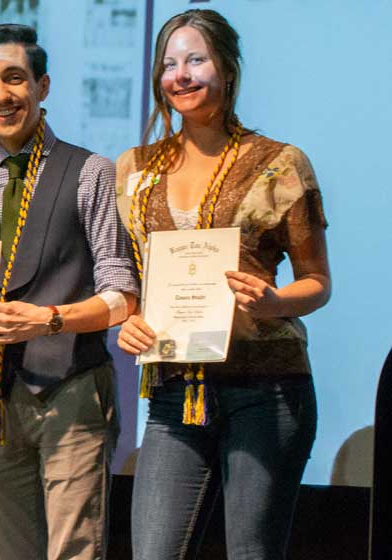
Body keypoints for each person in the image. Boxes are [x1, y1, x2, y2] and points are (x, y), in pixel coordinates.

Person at [115, 9, 329, 559]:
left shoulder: (279, 164)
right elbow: (134, 282)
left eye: (195, 60)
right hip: (173, 392)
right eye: (169, 64)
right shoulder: (134, 169)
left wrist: (276, 300)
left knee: (252, 553)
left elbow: (318, 283)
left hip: (265, 388)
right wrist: (130, 320)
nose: (180, 75)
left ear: (227, 69)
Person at [0, 24, 140, 559]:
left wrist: (49, 320)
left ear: (43, 86)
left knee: (73, 549)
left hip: (71, 386)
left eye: (14, 79)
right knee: (14, 551)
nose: (0, 95)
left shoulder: (89, 172)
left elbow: (122, 294)